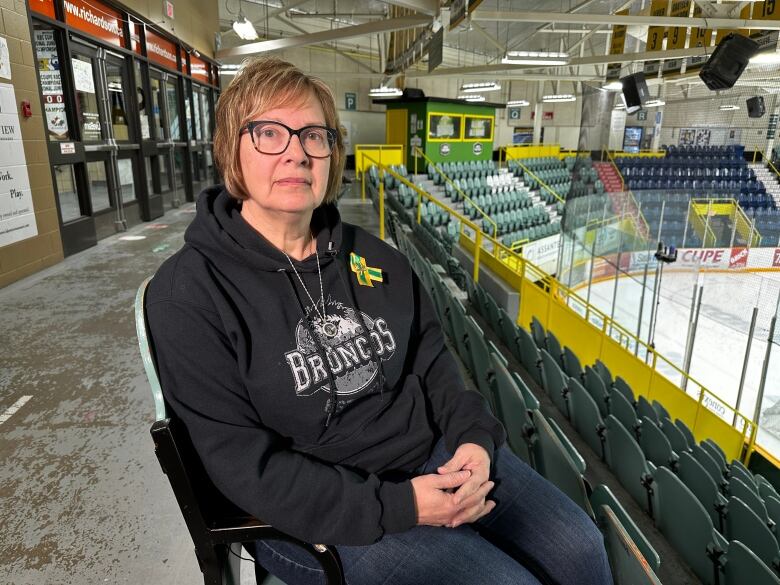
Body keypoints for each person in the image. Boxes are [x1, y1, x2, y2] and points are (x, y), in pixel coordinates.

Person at [146, 56, 612, 585]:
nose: (296, 153)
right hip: (313, 513)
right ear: (232, 148)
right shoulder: (188, 295)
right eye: (270, 133)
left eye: (313, 136)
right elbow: (241, 465)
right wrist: (401, 507)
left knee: (580, 547)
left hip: (433, 456)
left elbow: (434, 366)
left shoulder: (375, 258)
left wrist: (474, 443)